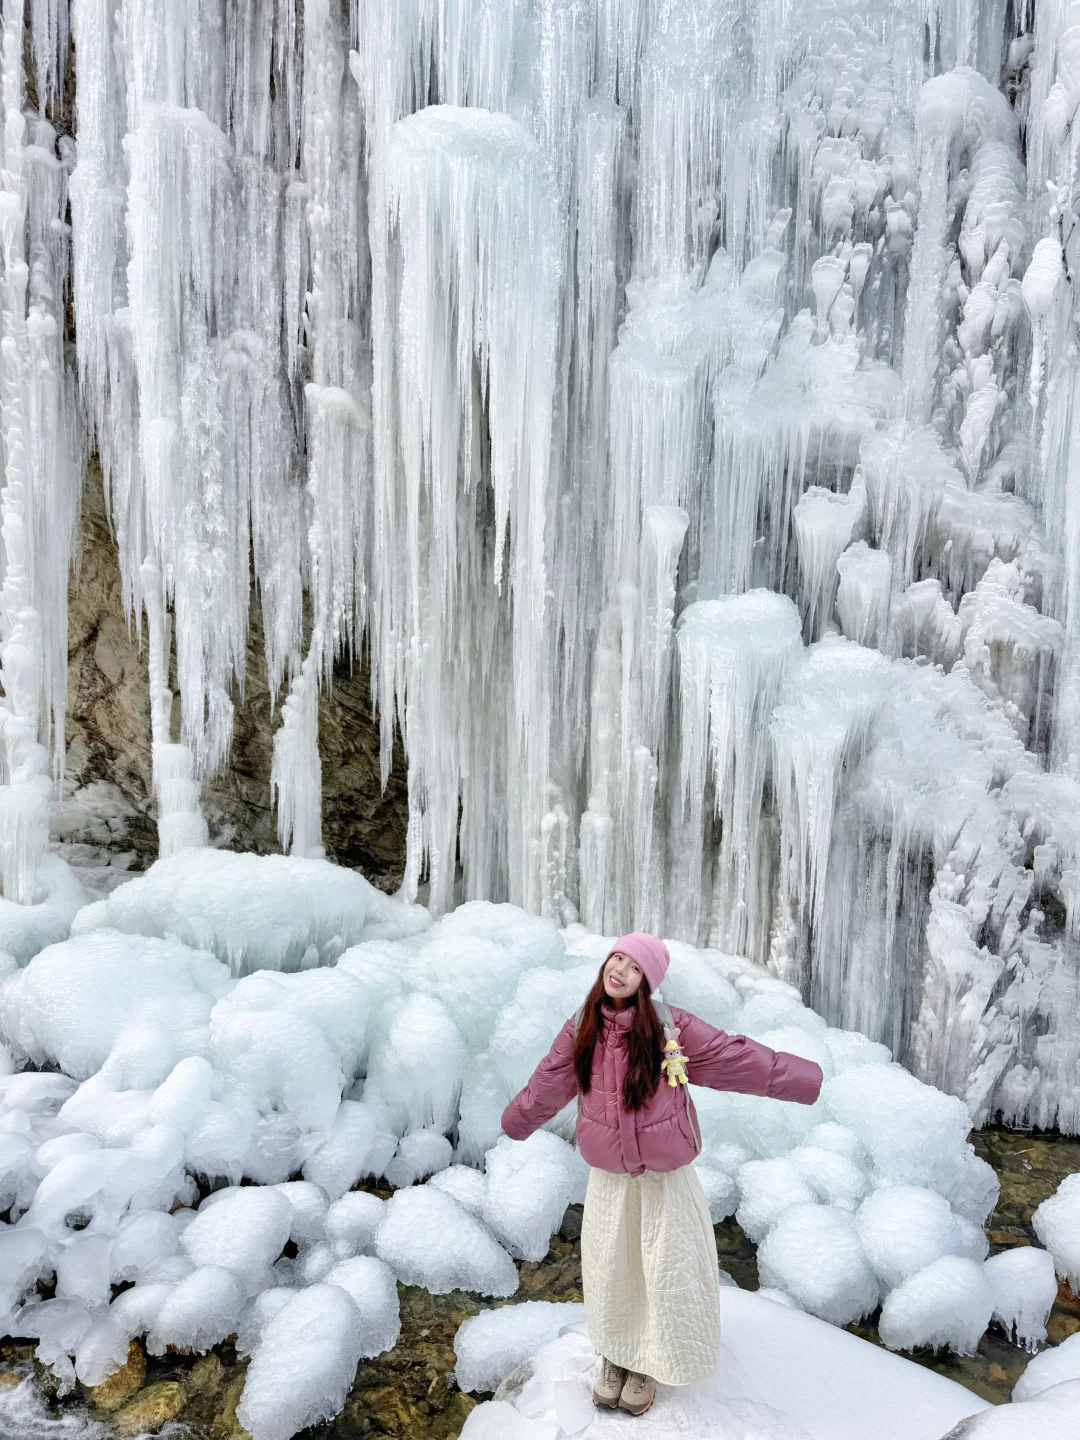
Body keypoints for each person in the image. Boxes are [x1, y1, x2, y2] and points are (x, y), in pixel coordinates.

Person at [501, 931, 823, 1418]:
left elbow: (736, 1057)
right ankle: (615, 1354)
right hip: (611, 1179)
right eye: (616, 957)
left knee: (663, 1270)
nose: (620, 969)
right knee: (613, 1268)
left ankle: (646, 1362)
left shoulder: (672, 1029)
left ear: (647, 981)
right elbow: (550, 1080)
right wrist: (516, 1121)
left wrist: (805, 1079)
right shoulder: (582, 1027)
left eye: (634, 965)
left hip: (663, 1179)